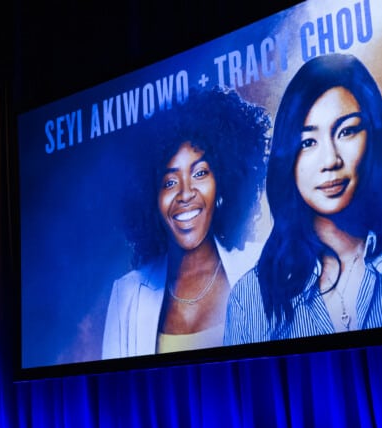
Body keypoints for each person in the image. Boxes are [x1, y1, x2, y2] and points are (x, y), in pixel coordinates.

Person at [224, 53, 382, 344]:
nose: (330, 160)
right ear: (288, 159)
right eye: (308, 142)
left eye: (346, 131)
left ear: (373, 138)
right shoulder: (249, 300)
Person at [102, 85, 270, 358]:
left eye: (200, 173)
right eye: (169, 182)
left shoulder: (264, 265)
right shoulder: (128, 294)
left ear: (223, 181)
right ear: (151, 197)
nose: (185, 193)